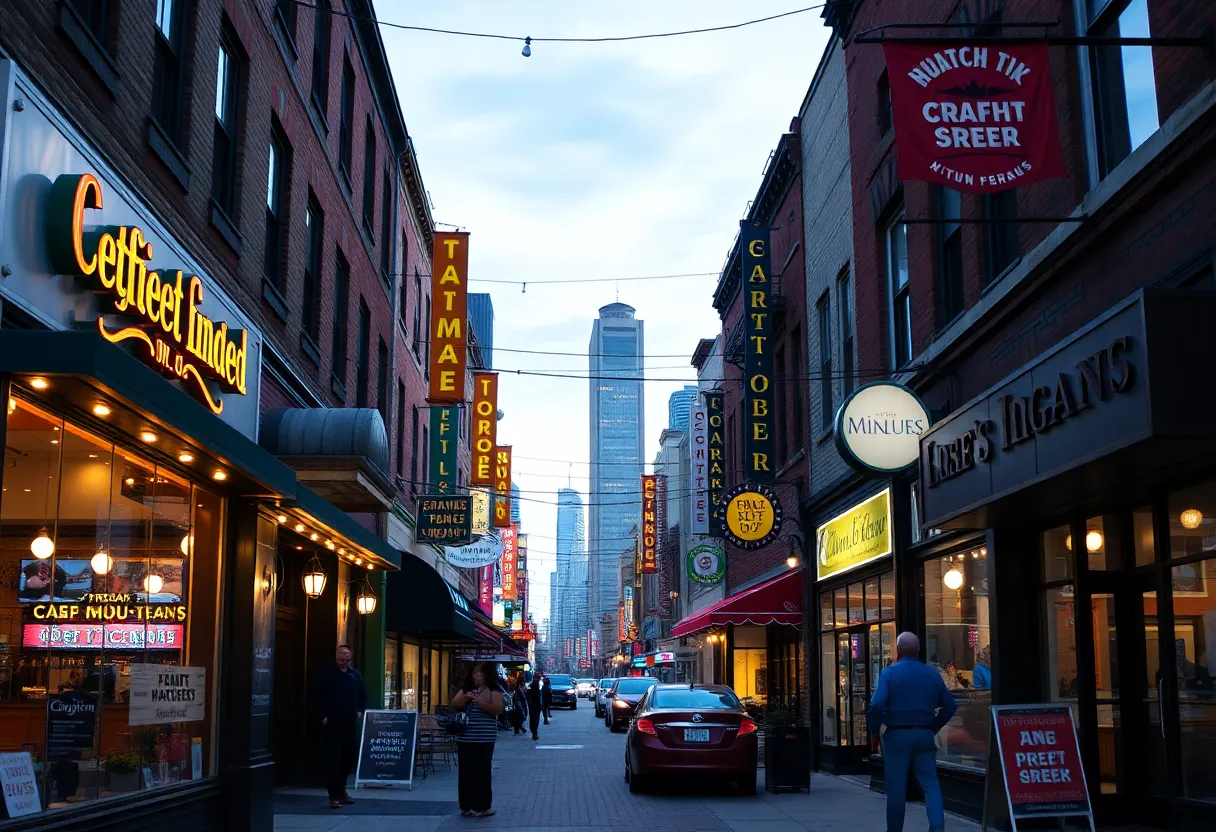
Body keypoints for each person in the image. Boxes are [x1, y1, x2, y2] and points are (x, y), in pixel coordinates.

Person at [868, 632, 957, 832]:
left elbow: (876, 705)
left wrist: (874, 730)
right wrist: (933, 726)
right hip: (924, 734)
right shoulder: (932, 674)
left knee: (897, 789)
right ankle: (937, 827)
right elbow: (950, 706)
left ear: (898, 650)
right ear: (918, 650)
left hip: (897, 736)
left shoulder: (889, 673)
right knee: (931, 785)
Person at [316, 645, 367, 810]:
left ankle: (341, 788)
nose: (343, 657)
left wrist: (360, 710)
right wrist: (323, 716)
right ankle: (334, 795)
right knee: (334, 759)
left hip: (350, 722)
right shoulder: (327, 675)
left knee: (350, 756)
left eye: (346, 654)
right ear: (335, 656)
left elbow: (363, 696)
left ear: (350, 656)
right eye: (340, 654)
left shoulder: (355, 675)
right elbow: (317, 696)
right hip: (332, 723)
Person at [450, 662, 504, 818]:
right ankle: (465, 807)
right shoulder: (467, 689)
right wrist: (467, 698)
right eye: (474, 673)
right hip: (465, 738)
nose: (476, 676)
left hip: (484, 738)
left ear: (487, 674)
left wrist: (478, 701)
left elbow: (497, 710)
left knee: (482, 773)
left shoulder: (494, 690)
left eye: (479, 673)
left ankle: (483, 807)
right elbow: (454, 704)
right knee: (465, 773)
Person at [526, 676, 543, 741]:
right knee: (535, 719)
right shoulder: (538, 686)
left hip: (532, 705)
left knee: (532, 719)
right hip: (536, 705)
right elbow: (540, 696)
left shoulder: (531, 686)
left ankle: (534, 732)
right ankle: (534, 732)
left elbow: (527, 695)